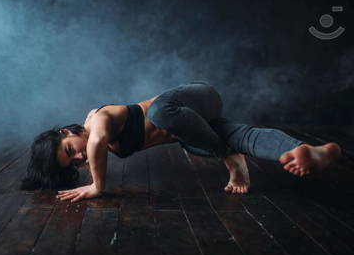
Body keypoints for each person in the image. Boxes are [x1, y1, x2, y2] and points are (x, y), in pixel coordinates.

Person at [20, 81, 341, 202]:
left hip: (194, 97)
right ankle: (311, 150)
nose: (79, 157)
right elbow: (93, 152)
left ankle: (229, 157)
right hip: (195, 128)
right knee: (236, 136)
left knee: (159, 111)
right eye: (73, 162)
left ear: (66, 131)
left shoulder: (97, 119)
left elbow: (96, 145)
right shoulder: (94, 147)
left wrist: (97, 186)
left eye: (70, 150)